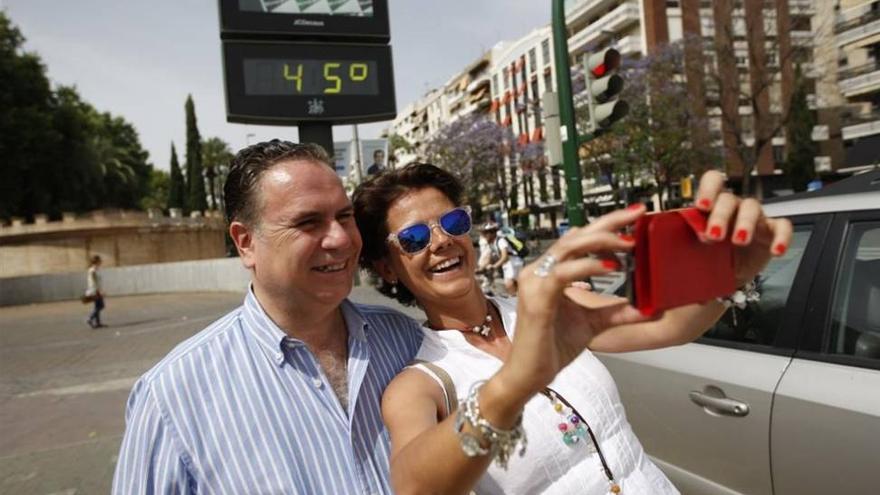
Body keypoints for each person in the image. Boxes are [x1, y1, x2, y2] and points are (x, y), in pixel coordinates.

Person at [352, 163, 792, 494]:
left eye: (453, 223)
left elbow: (668, 326)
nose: (441, 241)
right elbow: (413, 486)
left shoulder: (549, 304)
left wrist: (725, 275)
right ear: (388, 269)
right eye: (413, 239)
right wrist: (516, 380)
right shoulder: (422, 383)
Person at [112, 140, 423, 494]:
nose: (340, 239)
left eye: (344, 216)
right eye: (308, 222)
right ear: (245, 242)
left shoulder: (407, 341)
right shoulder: (173, 397)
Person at [85, 254, 105, 328]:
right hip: (95, 290)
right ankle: (90, 318)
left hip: (95, 290)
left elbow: (97, 281)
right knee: (101, 306)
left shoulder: (95, 269)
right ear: (96, 261)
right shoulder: (92, 270)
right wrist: (99, 291)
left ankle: (98, 323)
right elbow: (95, 281)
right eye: (99, 260)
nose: (101, 262)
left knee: (97, 306)